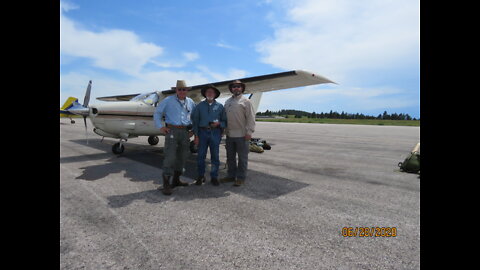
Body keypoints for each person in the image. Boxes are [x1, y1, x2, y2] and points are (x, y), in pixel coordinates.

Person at [153, 80, 196, 195]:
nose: (182, 91)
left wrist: (193, 130)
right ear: (176, 90)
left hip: (185, 131)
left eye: (184, 89)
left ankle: (176, 180)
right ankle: (166, 183)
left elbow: (195, 116)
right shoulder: (168, 100)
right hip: (172, 130)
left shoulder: (191, 102)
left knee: (182, 156)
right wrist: (161, 127)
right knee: (170, 156)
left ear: (187, 90)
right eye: (179, 89)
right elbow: (157, 113)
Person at [221, 80, 256, 186]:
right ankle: (231, 176)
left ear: (242, 88)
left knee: (242, 158)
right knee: (230, 157)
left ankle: (240, 177)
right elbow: (224, 118)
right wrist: (223, 131)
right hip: (230, 135)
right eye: (234, 87)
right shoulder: (227, 102)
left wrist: (249, 132)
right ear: (231, 89)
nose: (236, 88)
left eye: (238, 87)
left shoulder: (246, 101)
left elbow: (251, 118)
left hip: (242, 135)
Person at [190, 85, 227, 186]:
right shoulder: (199, 106)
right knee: (201, 156)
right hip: (202, 133)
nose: (210, 93)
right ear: (205, 94)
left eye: (212, 92)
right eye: (208, 92)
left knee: (215, 156)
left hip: (215, 133)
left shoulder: (220, 106)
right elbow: (195, 122)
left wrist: (219, 124)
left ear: (215, 95)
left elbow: (225, 121)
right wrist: (196, 136)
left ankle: (214, 176)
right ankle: (200, 176)